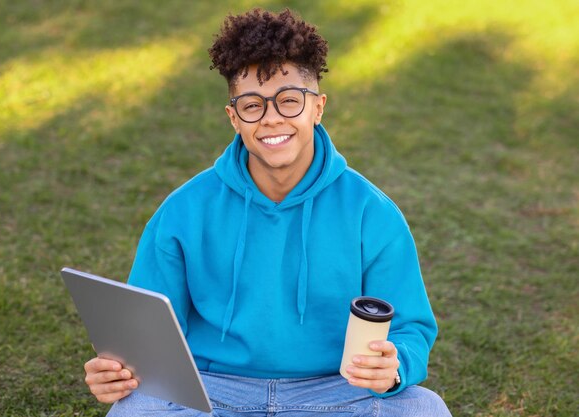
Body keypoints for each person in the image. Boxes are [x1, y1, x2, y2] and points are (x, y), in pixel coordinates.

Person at [83, 8, 452, 417]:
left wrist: (393, 366)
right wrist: (119, 372)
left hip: (337, 389)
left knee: (423, 408)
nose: (272, 117)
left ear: (318, 108)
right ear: (233, 118)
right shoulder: (183, 211)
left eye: (290, 101)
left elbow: (409, 328)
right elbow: (145, 336)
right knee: (135, 409)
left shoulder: (372, 213)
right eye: (253, 105)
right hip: (212, 390)